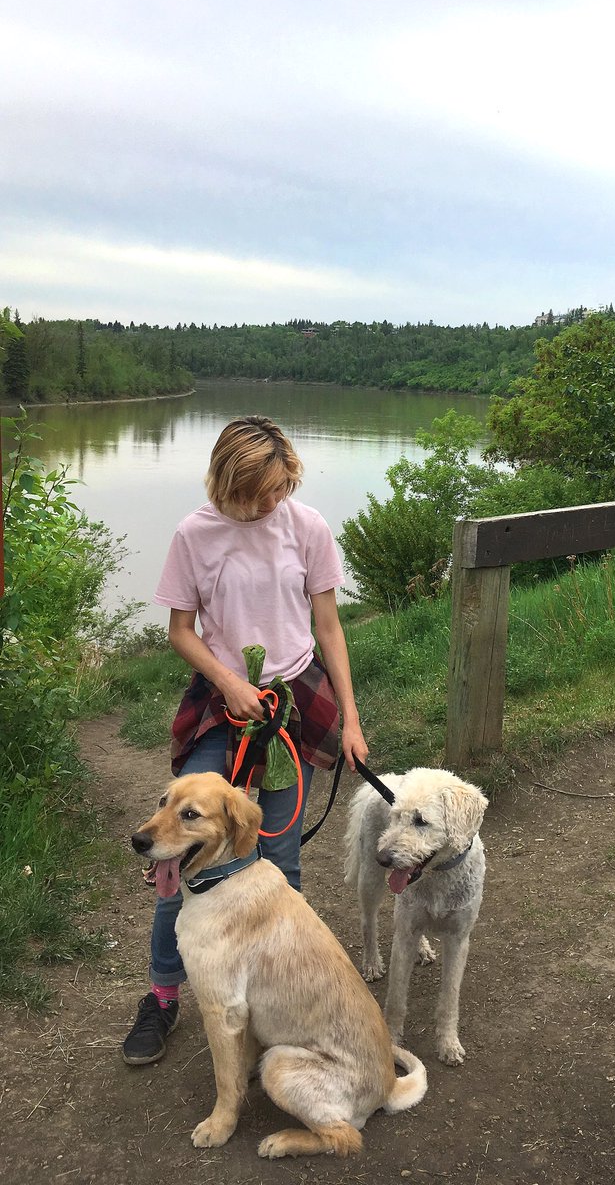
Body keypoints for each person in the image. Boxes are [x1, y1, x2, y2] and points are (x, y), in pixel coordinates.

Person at [121, 415, 369, 1066]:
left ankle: (277, 996)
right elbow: (181, 630)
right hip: (222, 706)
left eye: (279, 490)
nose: (270, 504)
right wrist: (229, 682)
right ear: (227, 480)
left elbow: (329, 627)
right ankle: (162, 996)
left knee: (278, 861)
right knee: (180, 855)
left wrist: (351, 718)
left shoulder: (306, 525)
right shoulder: (195, 534)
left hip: (292, 706)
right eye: (259, 492)